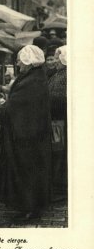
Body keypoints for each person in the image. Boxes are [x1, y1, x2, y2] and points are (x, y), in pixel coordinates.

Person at [0, 45, 52, 219]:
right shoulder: (36, 77)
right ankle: (31, 206)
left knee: (27, 171)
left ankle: (30, 207)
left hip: (28, 136)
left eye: (20, 61)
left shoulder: (31, 81)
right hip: (33, 134)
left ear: (28, 62)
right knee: (32, 170)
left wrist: (4, 108)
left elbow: (16, 106)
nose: (18, 64)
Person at [48, 45, 67, 198]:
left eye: (56, 57)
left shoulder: (64, 76)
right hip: (57, 121)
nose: (54, 61)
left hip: (59, 122)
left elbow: (57, 99)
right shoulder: (59, 74)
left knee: (59, 154)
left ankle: (60, 188)